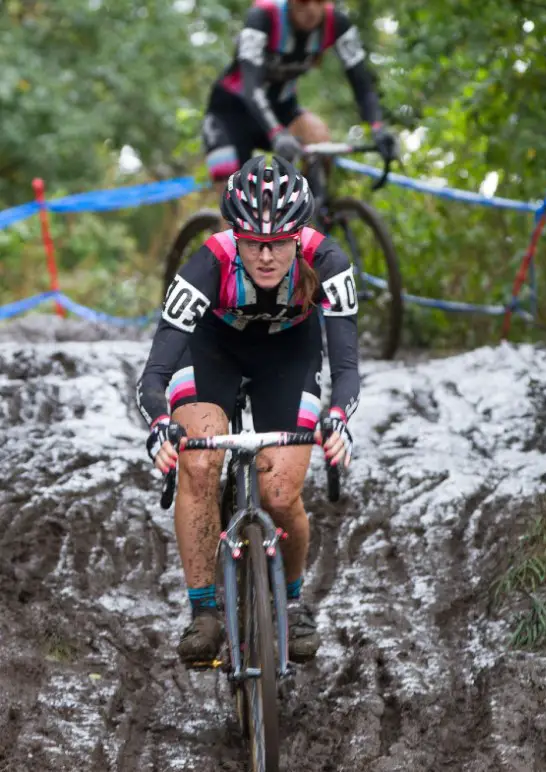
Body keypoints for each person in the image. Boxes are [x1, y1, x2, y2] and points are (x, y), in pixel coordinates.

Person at [137, 156, 360, 666]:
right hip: (213, 351)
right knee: (198, 461)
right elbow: (153, 374)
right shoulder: (207, 264)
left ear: (298, 236)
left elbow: (347, 366)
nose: (264, 256)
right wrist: (159, 425)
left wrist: (340, 419)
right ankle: (204, 611)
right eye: (252, 243)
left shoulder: (328, 262)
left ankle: (295, 602)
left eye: (277, 243)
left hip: (289, 354)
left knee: (280, 493)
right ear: (233, 234)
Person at [202, 0, 398, 193]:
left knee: (319, 137)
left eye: (319, 1)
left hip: (282, 108)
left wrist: (378, 127)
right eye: (303, 1)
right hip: (230, 115)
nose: (311, 8)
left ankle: (314, 211)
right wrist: (276, 132)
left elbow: (362, 84)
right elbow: (251, 87)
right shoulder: (263, 16)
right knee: (238, 204)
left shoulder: (337, 23)